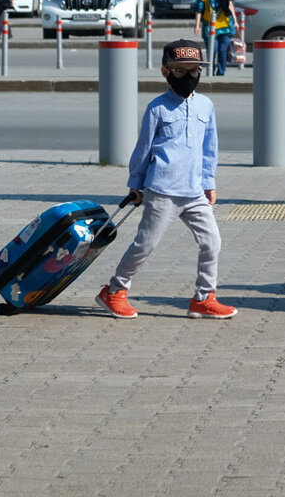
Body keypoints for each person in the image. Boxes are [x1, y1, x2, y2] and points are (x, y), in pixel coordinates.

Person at [95, 39, 237, 320]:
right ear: (166, 72)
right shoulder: (157, 108)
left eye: (194, 71)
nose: (188, 77)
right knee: (145, 245)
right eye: (180, 71)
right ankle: (114, 291)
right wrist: (135, 184)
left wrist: (209, 182)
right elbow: (143, 149)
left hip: (195, 191)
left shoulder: (206, 106)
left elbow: (210, 149)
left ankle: (204, 297)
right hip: (162, 190)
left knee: (212, 242)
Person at [193, 0, 236, 75]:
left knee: (222, 51)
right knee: (213, 50)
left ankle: (221, 73)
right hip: (210, 27)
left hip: (225, 25)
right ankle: (210, 71)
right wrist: (197, 25)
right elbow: (199, 10)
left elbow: (230, 4)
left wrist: (235, 20)